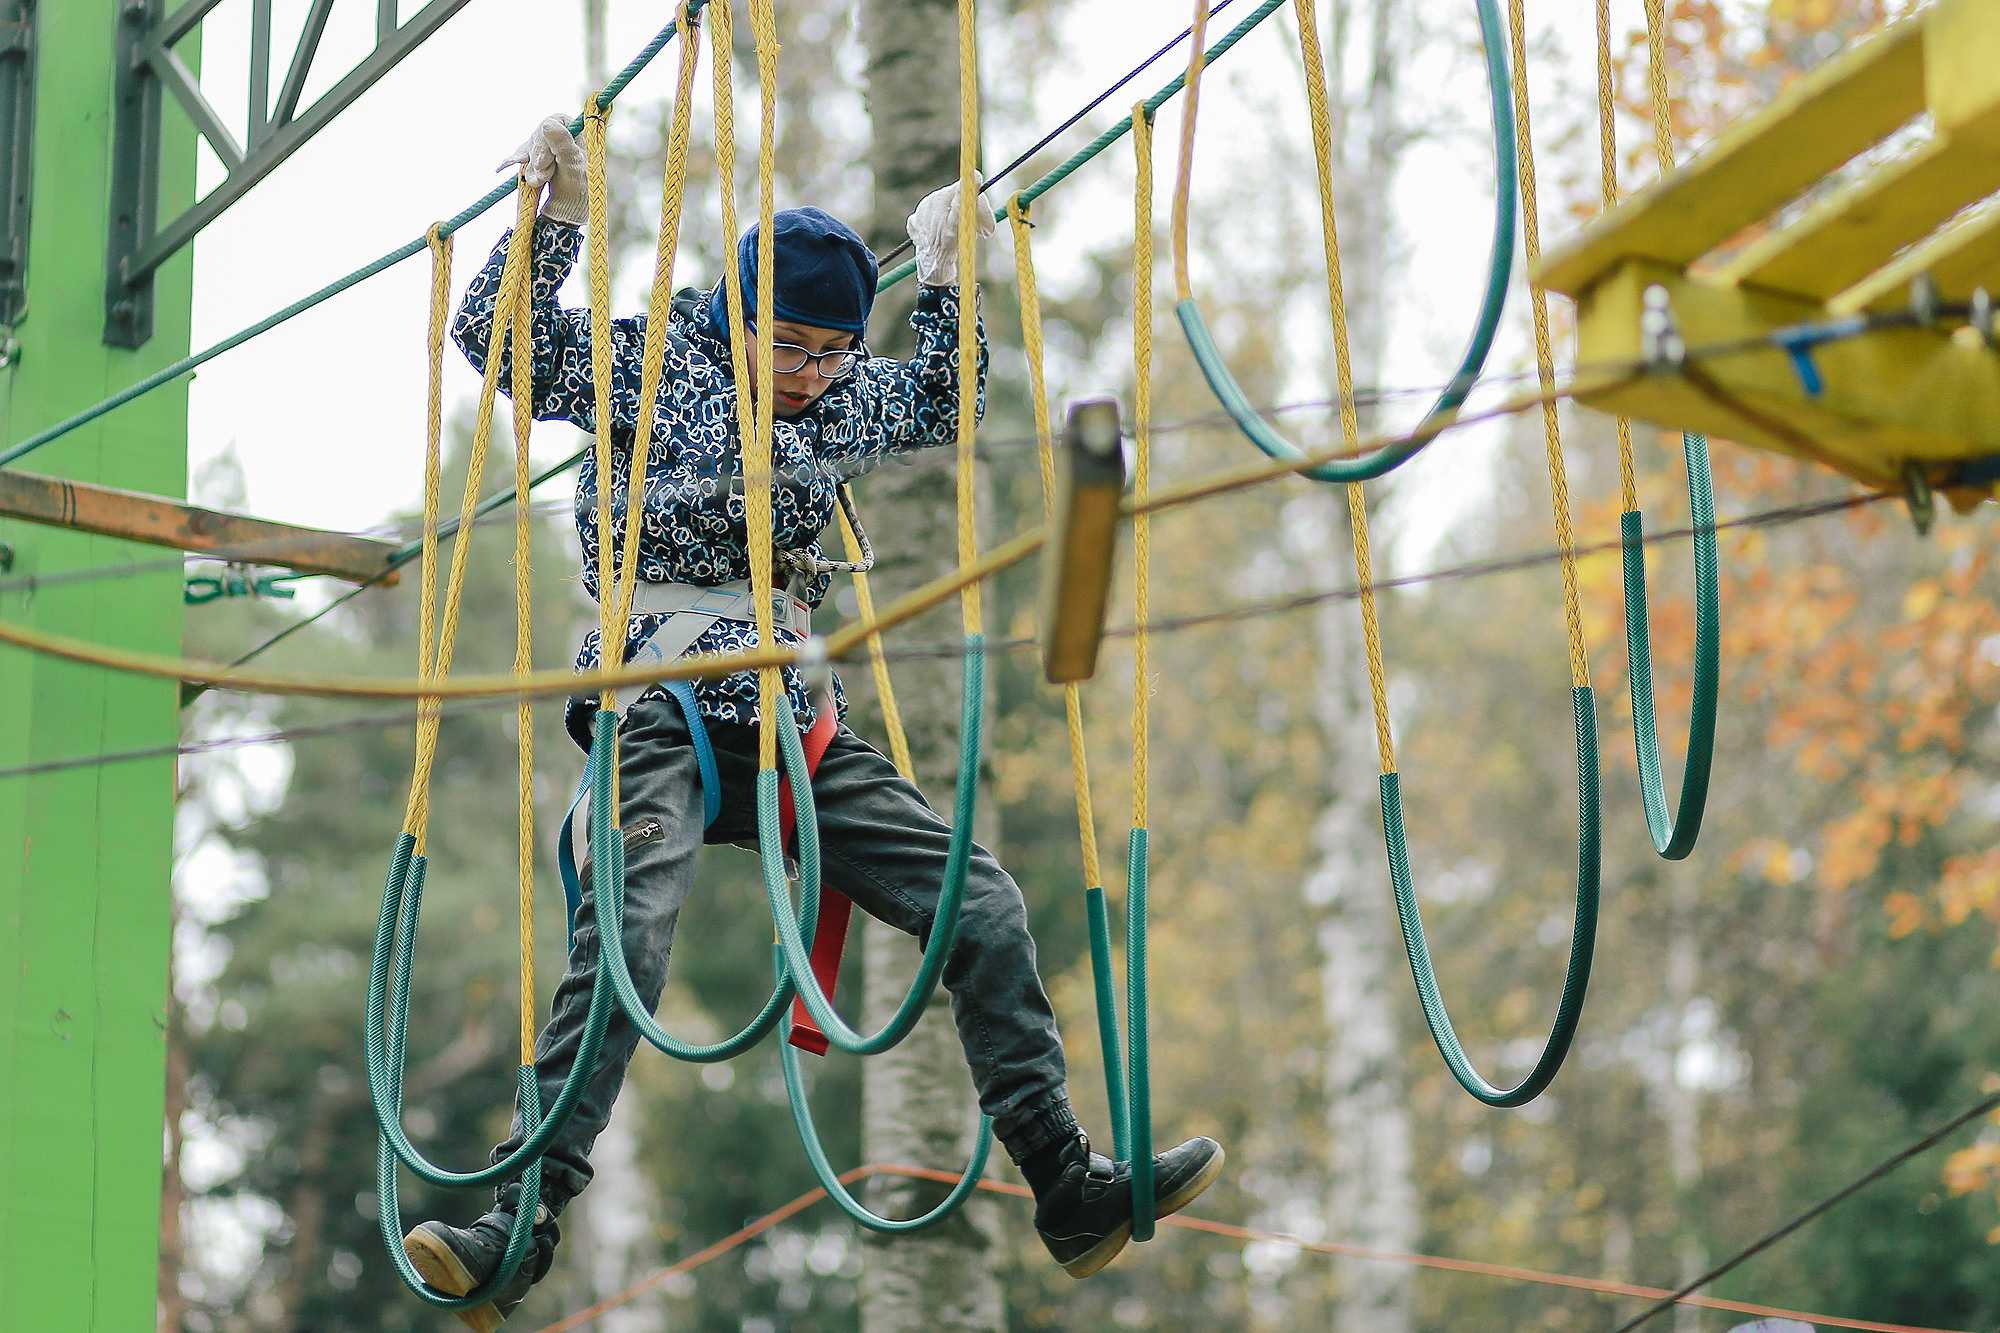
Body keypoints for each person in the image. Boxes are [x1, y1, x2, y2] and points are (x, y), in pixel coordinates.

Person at [400, 116, 1224, 1331]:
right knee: (628, 937)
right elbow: (498, 340)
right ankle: (519, 1222)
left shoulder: (838, 403)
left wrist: (946, 279)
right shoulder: (646, 365)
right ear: (733, 317)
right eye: (786, 345)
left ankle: (1064, 1184)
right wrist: (553, 223)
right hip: (660, 701)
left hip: (793, 725)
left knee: (979, 902)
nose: (807, 373)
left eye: (832, 354)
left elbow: (946, 395)